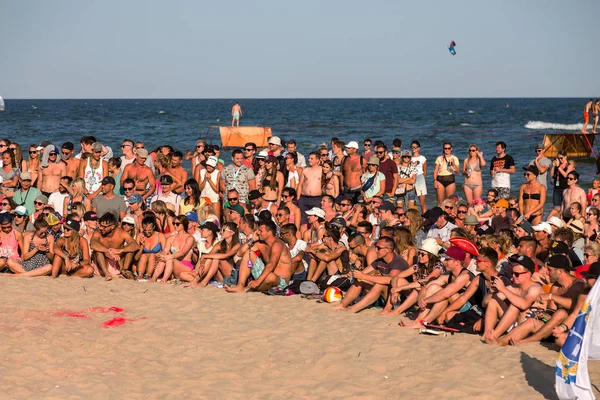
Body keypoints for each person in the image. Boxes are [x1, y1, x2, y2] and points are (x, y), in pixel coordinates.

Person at [501, 254, 585, 346]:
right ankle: (501, 342)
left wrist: (551, 296)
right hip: (552, 328)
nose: (547, 273)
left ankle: (527, 341)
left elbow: (577, 306)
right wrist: (544, 315)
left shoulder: (579, 285)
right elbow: (552, 311)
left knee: (562, 313)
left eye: (550, 270)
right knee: (531, 321)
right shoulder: (555, 288)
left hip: (569, 328)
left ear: (560, 271)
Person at [334, 236, 408, 313]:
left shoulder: (398, 262)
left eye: (379, 248)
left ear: (388, 250)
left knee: (380, 284)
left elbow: (391, 279)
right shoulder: (379, 261)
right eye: (376, 247)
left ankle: (354, 308)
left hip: (400, 298)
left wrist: (363, 276)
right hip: (387, 295)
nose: (376, 250)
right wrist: (354, 274)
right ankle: (343, 304)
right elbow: (364, 273)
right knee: (360, 280)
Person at [482, 255, 543, 344]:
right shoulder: (512, 288)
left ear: (528, 274)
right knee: (493, 301)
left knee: (515, 305)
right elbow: (485, 303)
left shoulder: (535, 287)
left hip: (526, 327)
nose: (513, 276)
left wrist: (503, 289)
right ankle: (486, 335)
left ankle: (494, 336)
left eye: (517, 274)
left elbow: (524, 305)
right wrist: (490, 292)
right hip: (513, 323)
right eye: (512, 273)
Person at [225, 220, 292, 293]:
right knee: (249, 253)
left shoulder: (278, 244)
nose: (258, 233)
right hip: (265, 276)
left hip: (280, 281)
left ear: (269, 233)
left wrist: (257, 281)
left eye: (260, 231)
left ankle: (252, 287)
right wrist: (252, 240)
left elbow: (271, 264)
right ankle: (240, 285)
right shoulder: (261, 244)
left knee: (271, 277)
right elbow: (240, 253)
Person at [385, 238, 444, 316]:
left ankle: (398, 311)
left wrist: (400, 288)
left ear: (431, 256)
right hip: (418, 297)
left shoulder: (438, 267)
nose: (419, 256)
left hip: (430, 297)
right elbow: (396, 277)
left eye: (422, 254)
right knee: (398, 281)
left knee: (418, 288)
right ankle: (386, 309)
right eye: (419, 253)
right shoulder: (418, 266)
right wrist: (395, 289)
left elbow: (425, 281)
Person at [90, 212, 139, 280]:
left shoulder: (121, 233)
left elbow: (135, 245)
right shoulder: (97, 232)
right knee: (98, 251)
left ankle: (124, 271)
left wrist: (120, 250)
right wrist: (108, 251)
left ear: (112, 226)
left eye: (104, 227)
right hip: (102, 263)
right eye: (100, 225)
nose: (101, 228)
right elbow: (93, 244)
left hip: (118, 263)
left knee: (129, 250)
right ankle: (107, 274)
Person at [297, 152, 323, 226]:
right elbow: (300, 184)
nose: (309, 160)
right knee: (304, 221)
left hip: (317, 198)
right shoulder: (305, 170)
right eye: (309, 158)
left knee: (316, 220)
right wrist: (298, 198)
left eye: (312, 159)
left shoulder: (321, 170)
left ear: (317, 160)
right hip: (304, 198)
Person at [548, 150, 574, 220]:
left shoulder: (569, 165)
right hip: (557, 188)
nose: (560, 160)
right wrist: (553, 167)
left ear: (566, 157)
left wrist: (558, 167)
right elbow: (551, 175)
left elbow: (565, 175)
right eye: (558, 158)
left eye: (561, 158)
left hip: (565, 188)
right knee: (556, 207)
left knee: (565, 207)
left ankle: (565, 221)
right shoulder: (557, 165)